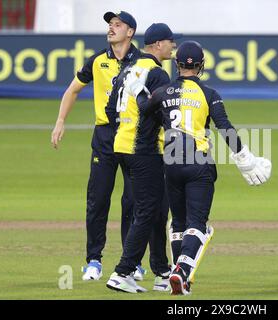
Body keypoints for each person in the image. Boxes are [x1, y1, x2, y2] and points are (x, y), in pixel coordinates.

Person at [128, 40, 271, 295]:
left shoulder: (162, 92)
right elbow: (224, 127)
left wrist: (138, 89)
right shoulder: (208, 94)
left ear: (177, 63)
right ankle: (182, 270)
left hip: (171, 163)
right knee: (198, 223)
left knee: (178, 223)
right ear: (201, 65)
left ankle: (179, 276)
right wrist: (245, 161)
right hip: (198, 163)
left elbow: (143, 108)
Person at [50, 11, 148, 281]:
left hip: (133, 135)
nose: (111, 28)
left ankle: (133, 262)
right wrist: (60, 121)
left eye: (118, 25)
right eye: (110, 24)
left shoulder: (145, 62)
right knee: (97, 199)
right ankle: (93, 260)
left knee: (133, 201)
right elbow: (72, 90)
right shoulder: (97, 61)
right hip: (104, 136)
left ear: (130, 32)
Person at [105, 23, 182, 293]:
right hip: (145, 150)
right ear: (158, 44)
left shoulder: (129, 68)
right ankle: (123, 271)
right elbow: (165, 113)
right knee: (148, 210)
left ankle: (161, 271)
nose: (173, 46)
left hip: (123, 146)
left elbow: (109, 107)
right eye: (170, 42)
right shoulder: (158, 74)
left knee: (159, 209)